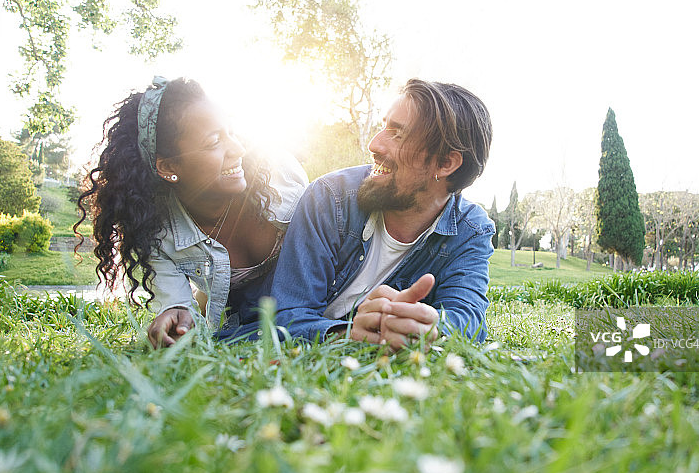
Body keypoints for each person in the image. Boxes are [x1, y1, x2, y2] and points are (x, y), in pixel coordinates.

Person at [75, 77, 308, 348]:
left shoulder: (279, 175)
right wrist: (178, 320)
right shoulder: (159, 237)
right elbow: (177, 306)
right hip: (250, 310)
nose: (238, 149)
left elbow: (330, 238)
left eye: (231, 133)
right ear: (168, 167)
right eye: (214, 142)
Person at [271, 78, 494, 350]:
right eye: (383, 126)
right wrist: (349, 333)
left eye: (398, 134)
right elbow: (287, 315)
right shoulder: (330, 197)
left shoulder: (471, 231)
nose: (374, 145)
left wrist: (430, 326)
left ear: (446, 163)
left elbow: (468, 319)